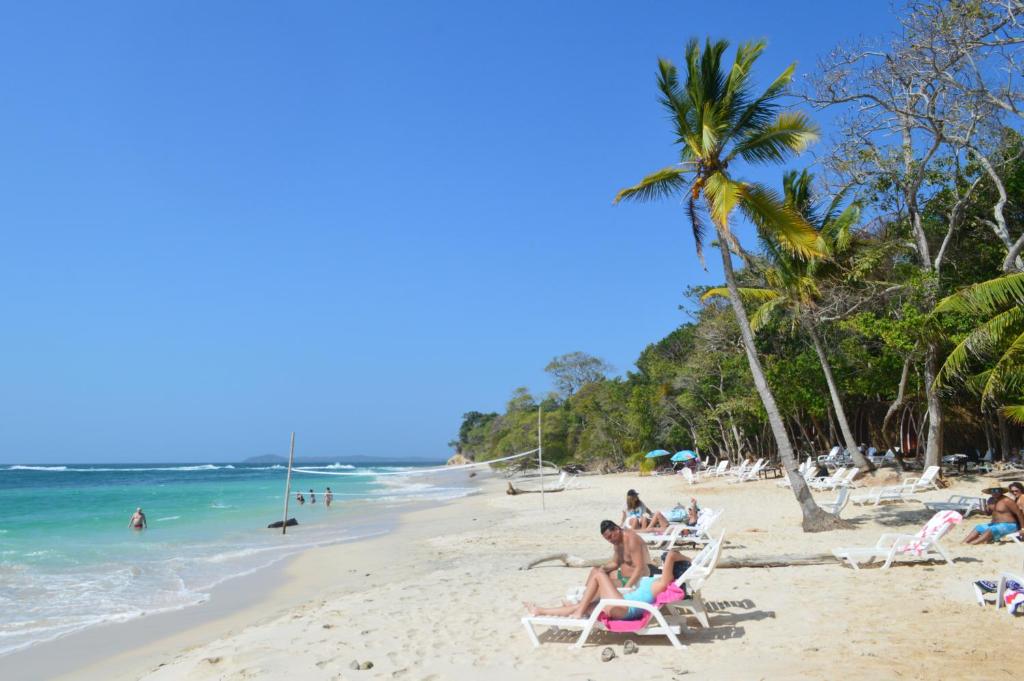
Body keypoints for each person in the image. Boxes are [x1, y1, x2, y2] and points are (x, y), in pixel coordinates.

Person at [523, 522, 692, 621]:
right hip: (621, 603)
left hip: (624, 606)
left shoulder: (661, 583)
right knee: (595, 579)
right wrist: (686, 561)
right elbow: (617, 563)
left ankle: (580, 607)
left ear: (617, 529)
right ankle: (542, 611)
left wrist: (687, 560)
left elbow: (669, 556)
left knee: (597, 574)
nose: (610, 540)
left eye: (611, 537)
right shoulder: (658, 583)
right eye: (607, 539)